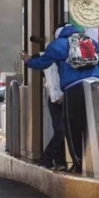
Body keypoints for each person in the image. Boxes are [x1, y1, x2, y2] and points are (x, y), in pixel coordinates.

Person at [21, 23, 99, 173]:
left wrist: (28, 60)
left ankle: (78, 164)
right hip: (95, 86)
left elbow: (42, 63)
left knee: (72, 128)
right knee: (92, 127)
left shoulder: (58, 45)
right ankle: (95, 163)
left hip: (74, 89)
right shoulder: (89, 41)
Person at [38, 24, 67, 171]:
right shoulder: (54, 50)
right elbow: (51, 75)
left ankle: (59, 161)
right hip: (57, 96)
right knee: (61, 130)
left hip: (65, 94)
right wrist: (57, 96)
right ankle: (47, 158)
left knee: (62, 130)